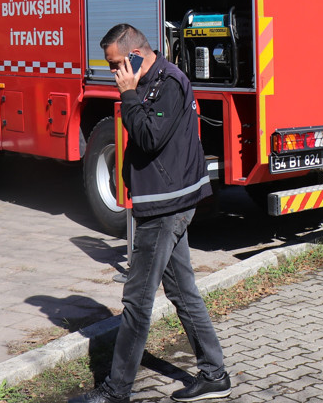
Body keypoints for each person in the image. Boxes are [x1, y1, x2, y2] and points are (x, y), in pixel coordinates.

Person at [70, 24, 230, 403]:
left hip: (165, 207)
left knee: (137, 301)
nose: (114, 73)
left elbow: (148, 136)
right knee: (182, 290)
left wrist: (128, 95)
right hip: (165, 202)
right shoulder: (150, 81)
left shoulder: (168, 84)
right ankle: (214, 374)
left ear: (135, 55)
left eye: (116, 64)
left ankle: (116, 390)